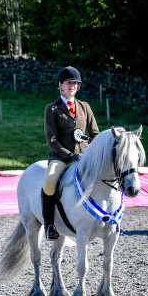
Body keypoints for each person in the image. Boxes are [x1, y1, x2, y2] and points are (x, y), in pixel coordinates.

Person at [42, 66, 100, 240]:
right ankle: (49, 224)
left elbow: (95, 134)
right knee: (49, 182)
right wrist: (68, 155)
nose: (72, 86)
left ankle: (110, 221)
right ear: (60, 85)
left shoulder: (85, 107)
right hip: (61, 157)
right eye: (69, 83)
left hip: (85, 156)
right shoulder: (52, 109)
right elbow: (52, 140)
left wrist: (93, 151)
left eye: (75, 83)